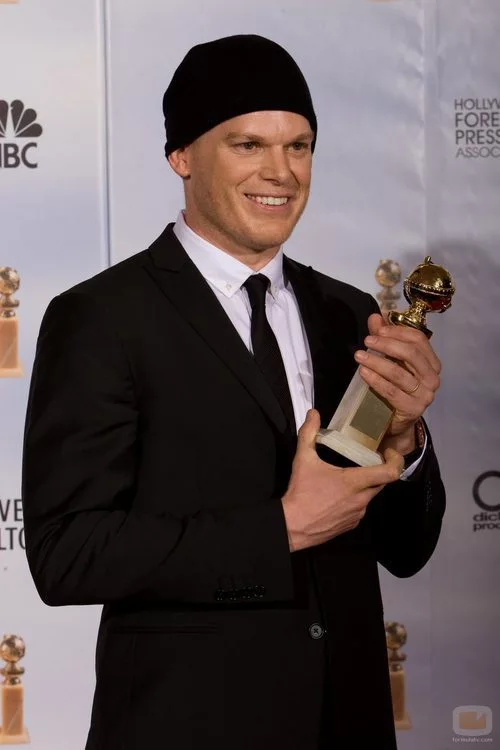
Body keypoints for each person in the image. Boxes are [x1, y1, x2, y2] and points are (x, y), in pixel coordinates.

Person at [22, 35, 445, 750]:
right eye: (248, 145)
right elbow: (68, 554)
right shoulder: (102, 317)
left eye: (299, 146)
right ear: (181, 156)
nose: (281, 172)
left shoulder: (348, 313)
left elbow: (406, 550)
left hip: (347, 723)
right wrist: (280, 528)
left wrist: (405, 442)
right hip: (186, 726)